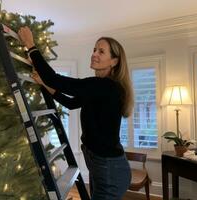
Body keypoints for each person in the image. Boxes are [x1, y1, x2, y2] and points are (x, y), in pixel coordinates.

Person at [18, 27, 134, 200]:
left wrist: (30, 44)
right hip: (100, 167)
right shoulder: (99, 88)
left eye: (101, 51)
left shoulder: (106, 87)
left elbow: (56, 79)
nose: (94, 54)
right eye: (94, 49)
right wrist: (44, 83)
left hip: (110, 171)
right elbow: (71, 103)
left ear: (114, 61)